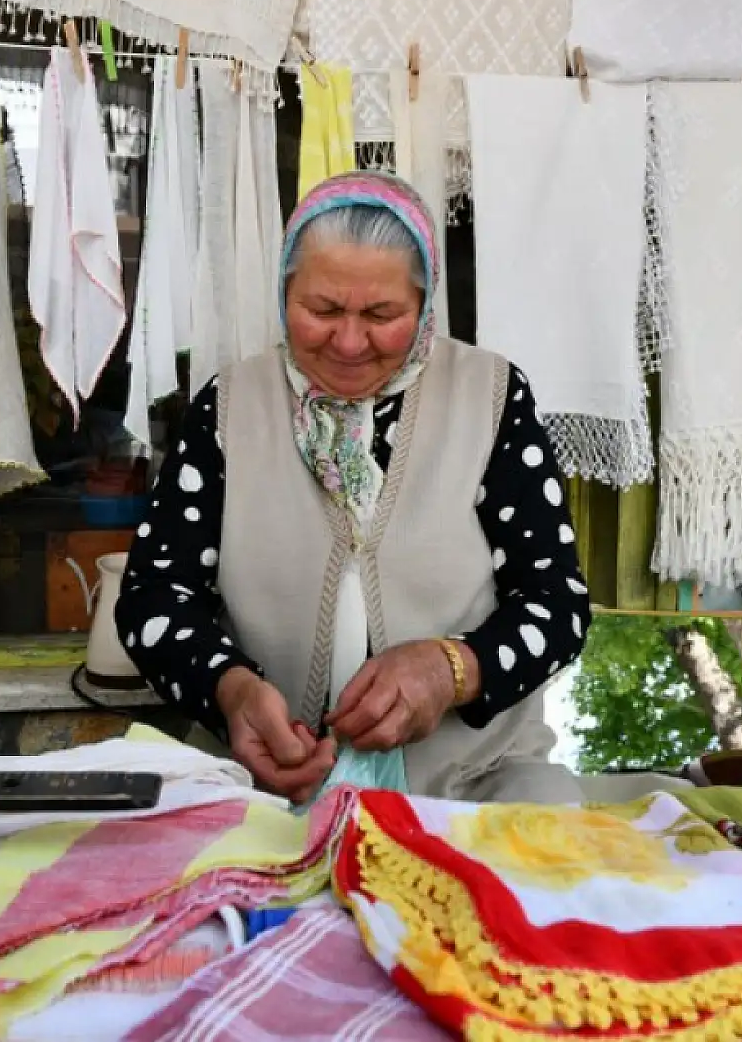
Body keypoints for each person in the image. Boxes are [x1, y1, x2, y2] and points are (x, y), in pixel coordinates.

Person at [115, 171, 591, 804]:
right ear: (285, 292)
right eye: (322, 309)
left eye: (382, 315)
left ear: (423, 307)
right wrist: (229, 690)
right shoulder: (230, 407)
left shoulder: (491, 397)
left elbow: (556, 603)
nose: (347, 341)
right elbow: (154, 594)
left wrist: (453, 670)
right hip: (264, 787)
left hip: (473, 783)